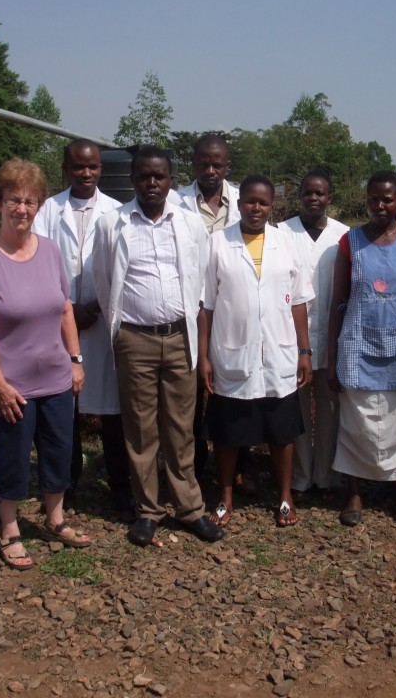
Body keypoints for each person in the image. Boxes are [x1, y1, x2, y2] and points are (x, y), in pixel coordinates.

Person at [92, 147, 223, 547]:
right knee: (140, 429)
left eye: (160, 176)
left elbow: (199, 279)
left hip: (179, 337)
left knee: (182, 428)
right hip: (135, 340)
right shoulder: (112, 224)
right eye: (144, 176)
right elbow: (102, 282)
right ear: (133, 180)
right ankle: (147, 509)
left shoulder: (188, 223)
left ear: (170, 180)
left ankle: (189, 508)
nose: (152, 182)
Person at [0, 159, 91, 571]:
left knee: (59, 450)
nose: (22, 208)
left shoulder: (50, 251)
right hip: (11, 384)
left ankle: (55, 519)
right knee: (13, 456)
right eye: (14, 200)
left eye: (30, 201)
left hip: (55, 376)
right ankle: (9, 528)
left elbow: (65, 310)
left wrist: (75, 360)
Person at [198, 175, 313, 528]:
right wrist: (203, 357)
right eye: (249, 201)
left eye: (263, 202)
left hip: (279, 354)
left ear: (272, 205)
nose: (256, 208)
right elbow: (207, 306)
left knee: (282, 431)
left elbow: (299, 302)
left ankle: (284, 496)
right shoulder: (218, 243)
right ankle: (225, 497)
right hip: (232, 354)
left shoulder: (285, 242)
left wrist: (305, 351)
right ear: (239, 203)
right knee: (229, 433)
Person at [32, 139, 132, 514]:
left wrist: (95, 307)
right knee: (62, 411)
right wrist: (68, 308)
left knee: (112, 411)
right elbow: (37, 262)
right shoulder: (47, 212)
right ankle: (64, 483)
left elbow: (122, 270)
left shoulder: (117, 212)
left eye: (92, 167)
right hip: (57, 324)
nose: (85, 173)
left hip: (103, 323)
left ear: (101, 169)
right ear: (67, 168)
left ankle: (120, 486)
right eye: (78, 167)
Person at [328, 171, 396, 529]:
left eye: (387, 199)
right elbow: (338, 301)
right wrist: (331, 356)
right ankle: (354, 492)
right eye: (374, 199)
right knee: (357, 423)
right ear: (366, 200)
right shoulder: (349, 242)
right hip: (357, 346)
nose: (380, 205)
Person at [170, 134, 256, 493]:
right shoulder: (176, 202)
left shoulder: (243, 200)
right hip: (190, 307)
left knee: (238, 390)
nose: (209, 170)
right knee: (191, 395)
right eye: (203, 163)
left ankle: (241, 465)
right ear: (193, 163)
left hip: (234, 307)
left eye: (217, 164)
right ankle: (197, 467)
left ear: (227, 165)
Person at [280, 169, 349, 498]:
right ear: (300, 195)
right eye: (307, 192)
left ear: (329, 198)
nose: (313, 198)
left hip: (333, 339)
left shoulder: (344, 236)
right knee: (296, 411)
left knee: (329, 411)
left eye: (319, 193)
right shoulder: (281, 232)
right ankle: (300, 477)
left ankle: (326, 477)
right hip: (292, 340)